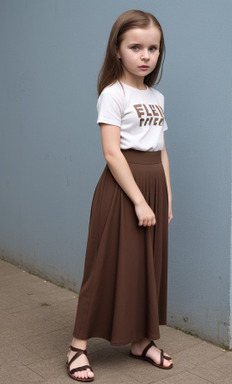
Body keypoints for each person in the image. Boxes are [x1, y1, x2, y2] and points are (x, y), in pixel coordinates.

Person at [66, 9, 173, 382]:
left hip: (154, 185)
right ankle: (77, 347)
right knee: (106, 265)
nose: (145, 55)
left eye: (153, 48)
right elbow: (112, 152)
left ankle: (141, 341)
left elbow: (161, 150)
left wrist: (167, 199)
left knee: (149, 266)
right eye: (136, 47)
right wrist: (139, 201)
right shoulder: (113, 94)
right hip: (122, 188)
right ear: (117, 50)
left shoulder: (157, 97)